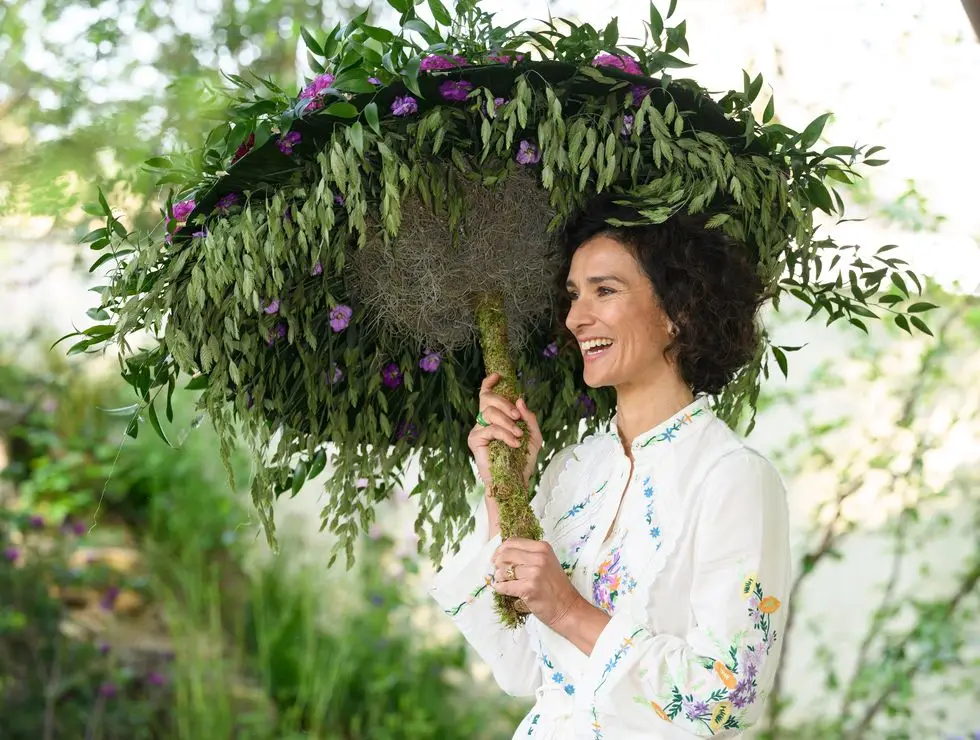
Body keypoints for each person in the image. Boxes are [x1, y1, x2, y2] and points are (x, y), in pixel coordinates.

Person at [429, 196, 791, 739]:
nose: (575, 318)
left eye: (606, 290)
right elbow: (519, 667)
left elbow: (726, 701)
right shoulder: (570, 472)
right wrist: (504, 492)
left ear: (679, 311)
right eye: (574, 295)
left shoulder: (731, 477)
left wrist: (570, 608)